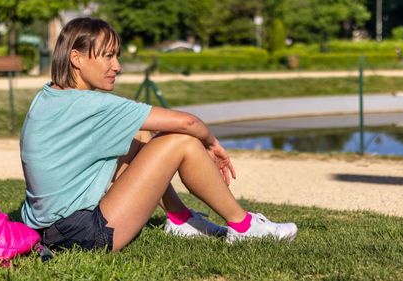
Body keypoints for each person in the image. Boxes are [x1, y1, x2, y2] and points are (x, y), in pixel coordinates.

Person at [20, 17, 297, 252]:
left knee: (139, 131)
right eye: (108, 56)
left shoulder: (48, 96)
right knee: (182, 141)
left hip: (46, 229)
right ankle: (244, 226)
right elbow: (188, 123)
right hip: (82, 235)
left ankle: (179, 219)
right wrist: (212, 144)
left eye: (116, 56)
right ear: (76, 58)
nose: (117, 66)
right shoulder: (90, 105)